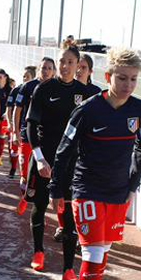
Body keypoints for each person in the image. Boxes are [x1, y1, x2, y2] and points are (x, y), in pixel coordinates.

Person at [48, 48, 141, 280]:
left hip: (118, 194)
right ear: (108, 76)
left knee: (102, 255)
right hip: (87, 192)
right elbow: (64, 150)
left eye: (133, 79)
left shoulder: (140, 110)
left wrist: (133, 184)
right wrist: (56, 190)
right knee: (92, 259)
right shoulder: (87, 110)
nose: (128, 85)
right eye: (122, 78)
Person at [24, 47, 92, 280]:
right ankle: (38, 252)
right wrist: (39, 158)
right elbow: (31, 125)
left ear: (77, 65)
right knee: (41, 205)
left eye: (70, 62)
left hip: (71, 165)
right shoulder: (44, 89)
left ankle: (67, 269)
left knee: (70, 213)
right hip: (45, 159)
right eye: (62, 61)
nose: (65, 66)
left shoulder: (86, 94)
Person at [53, 55, 102, 243]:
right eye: (78, 66)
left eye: (84, 67)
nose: (80, 70)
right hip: (65, 149)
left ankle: (79, 232)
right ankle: (62, 226)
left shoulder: (96, 94)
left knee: (80, 194)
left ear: (90, 72)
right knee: (63, 191)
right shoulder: (64, 88)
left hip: (85, 153)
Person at [13, 60, 54, 215]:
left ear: (53, 71)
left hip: (46, 139)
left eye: (49, 68)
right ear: (38, 69)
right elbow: (17, 111)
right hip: (27, 136)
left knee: (44, 175)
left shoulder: (56, 88)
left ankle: (28, 199)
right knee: (25, 174)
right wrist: (15, 132)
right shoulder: (28, 86)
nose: (46, 71)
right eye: (43, 68)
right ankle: (25, 196)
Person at [0, 69, 13, 167]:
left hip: (4, 117)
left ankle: (0, 157)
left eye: (0, 77)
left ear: (5, 77)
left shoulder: (9, 90)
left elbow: (11, 104)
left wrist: (7, 113)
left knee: (2, 136)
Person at [5, 77, 22, 178]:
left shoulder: (37, 89)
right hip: (16, 125)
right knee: (14, 149)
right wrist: (10, 123)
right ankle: (13, 169)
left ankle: (23, 172)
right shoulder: (15, 91)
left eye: (27, 76)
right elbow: (9, 108)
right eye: (24, 76)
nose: (25, 79)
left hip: (27, 126)